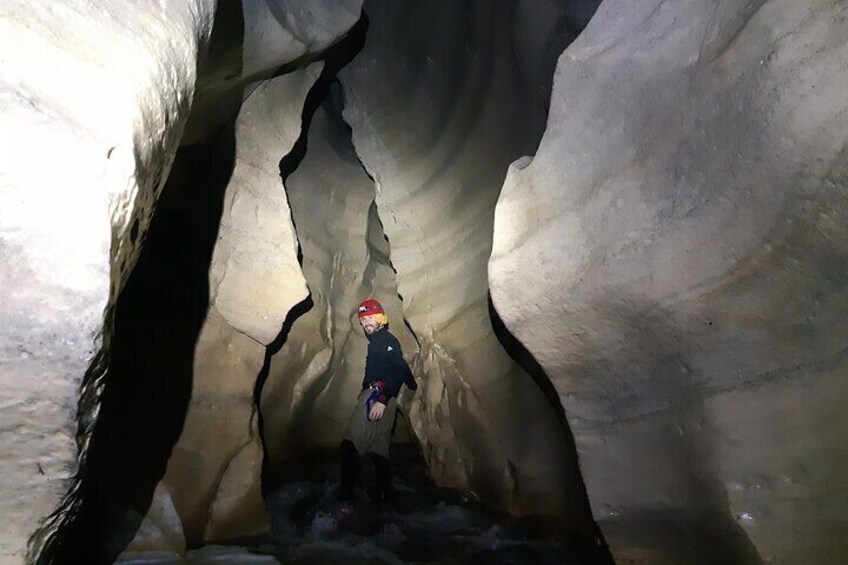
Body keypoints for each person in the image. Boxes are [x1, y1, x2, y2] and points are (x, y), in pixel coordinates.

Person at [339, 298, 417, 507]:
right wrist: (412, 384)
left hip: (378, 398)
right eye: (363, 321)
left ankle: (343, 504)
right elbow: (395, 369)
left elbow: (398, 369)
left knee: (349, 448)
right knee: (378, 453)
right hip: (381, 399)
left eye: (370, 318)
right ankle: (385, 501)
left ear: (381, 318)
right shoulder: (377, 343)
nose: (366, 323)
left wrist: (381, 399)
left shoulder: (386, 340)